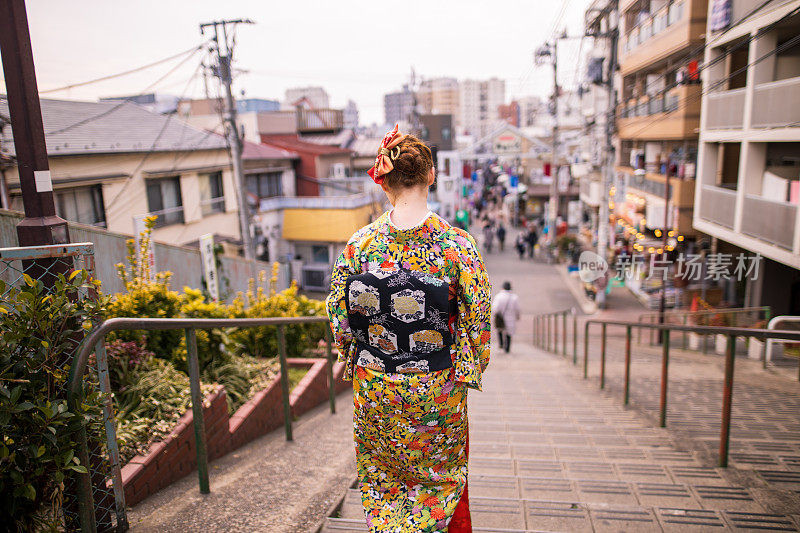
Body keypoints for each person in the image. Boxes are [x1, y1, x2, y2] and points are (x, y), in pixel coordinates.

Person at [326, 125, 491, 533]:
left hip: (377, 386)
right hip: (436, 387)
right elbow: (478, 324)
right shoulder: (457, 245)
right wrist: (467, 368)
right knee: (436, 482)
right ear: (430, 175)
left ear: (383, 180)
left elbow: (339, 319)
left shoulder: (359, 245)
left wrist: (367, 350)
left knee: (386, 484)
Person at [492, 281, 520, 353]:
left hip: (501, 317)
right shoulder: (514, 297)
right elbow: (517, 309)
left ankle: (501, 343)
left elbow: (495, 308)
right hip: (511, 317)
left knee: (500, 329)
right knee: (509, 333)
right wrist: (517, 316)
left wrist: (495, 315)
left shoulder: (499, 296)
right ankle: (507, 348)